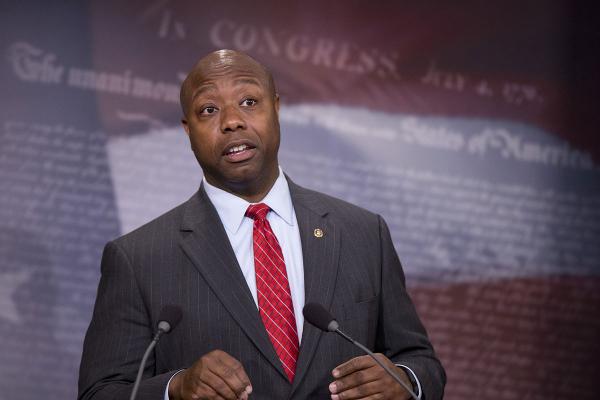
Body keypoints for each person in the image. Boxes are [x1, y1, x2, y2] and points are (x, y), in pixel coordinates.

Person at [78, 49, 446, 400]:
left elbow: (421, 362)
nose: (232, 120)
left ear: (277, 108)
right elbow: (101, 391)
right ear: (188, 130)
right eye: (209, 109)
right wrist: (175, 388)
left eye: (250, 102)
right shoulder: (138, 259)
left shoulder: (364, 233)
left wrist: (404, 381)